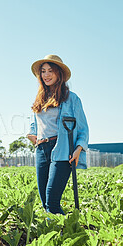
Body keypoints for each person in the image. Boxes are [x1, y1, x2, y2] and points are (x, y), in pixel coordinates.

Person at [27, 55, 89, 215]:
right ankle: (57, 232)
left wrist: (79, 148)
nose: (46, 75)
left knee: (52, 202)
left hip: (61, 149)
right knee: (44, 203)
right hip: (41, 150)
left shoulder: (71, 98)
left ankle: (65, 236)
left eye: (50, 71)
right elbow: (35, 121)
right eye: (43, 71)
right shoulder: (40, 98)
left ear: (59, 74)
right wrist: (32, 134)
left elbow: (83, 128)